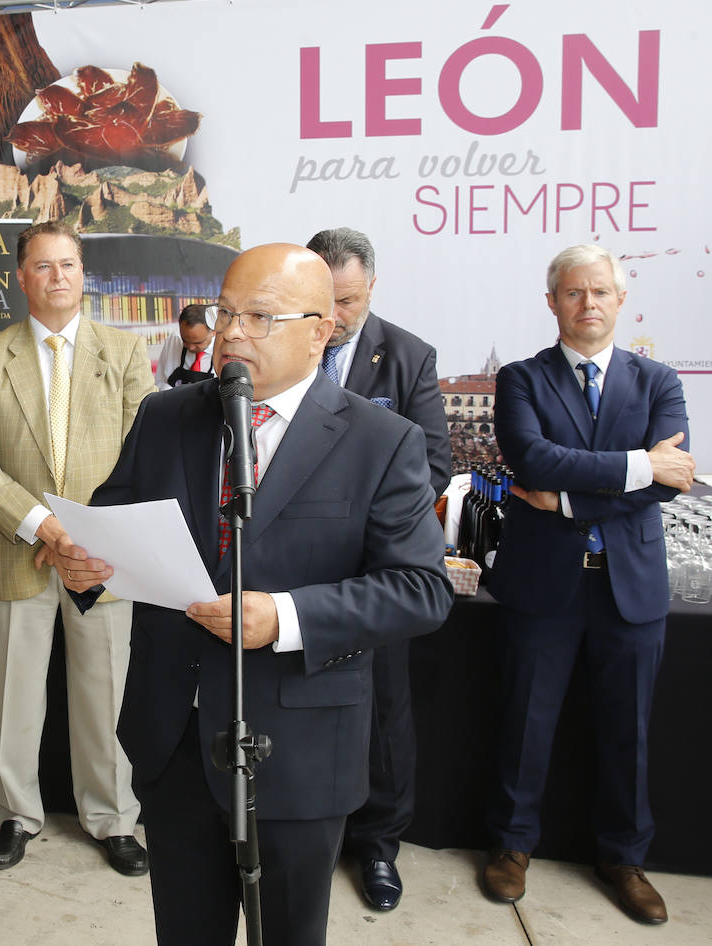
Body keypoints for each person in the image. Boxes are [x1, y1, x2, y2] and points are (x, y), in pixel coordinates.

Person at [54, 243, 452, 945]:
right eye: (226, 311)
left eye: (260, 317)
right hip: (174, 739)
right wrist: (83, 566)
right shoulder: (166, 416)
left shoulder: (381, 440)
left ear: (319, 329)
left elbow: (420, 589)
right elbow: (110, 530)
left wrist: (288, 617)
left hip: (301, 750)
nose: (232, 332)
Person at [483, 244, 694, 925]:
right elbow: (531, 457)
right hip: (543, 584)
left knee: (627, 730)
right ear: (553, 302)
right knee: (525, 723)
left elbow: (672, 483)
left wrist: (570, 500)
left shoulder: (659, 381)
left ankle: (624, 858)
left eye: (600, 291)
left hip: (628, 588)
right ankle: (513, 848)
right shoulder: (521, 379)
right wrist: (640, 466)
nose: (588, 304)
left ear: (620, 299)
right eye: (574, 293)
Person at [0, 220, 154, 875]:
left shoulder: (124, 354)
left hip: (101, 558)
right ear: (23, 278)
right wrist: (46, 526)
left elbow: (144, 460)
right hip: (20, 552)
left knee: (105, 695)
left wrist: (88, 536)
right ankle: (15, 814)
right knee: (13, 696)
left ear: (82, 273)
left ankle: (113, 819)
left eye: (68, 264)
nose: (58, 276)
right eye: (43, 266)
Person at [306, 226, 451, 911]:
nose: (337, 318)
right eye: (326, 301)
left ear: (372, 290)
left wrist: (347, 512)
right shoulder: (286, 347)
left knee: (385, 708)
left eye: (351, 301)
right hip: (297, 569)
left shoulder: (409, 356)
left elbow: (436, 464)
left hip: (376, 567)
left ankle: (379, 844)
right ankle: (310, 830)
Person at [153, 303, 215, 390]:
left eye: (197, 343)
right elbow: (161, 381)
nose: (191, 347)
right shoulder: (175, 338)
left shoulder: (226, 348)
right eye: (185, 341)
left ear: (213, 331)